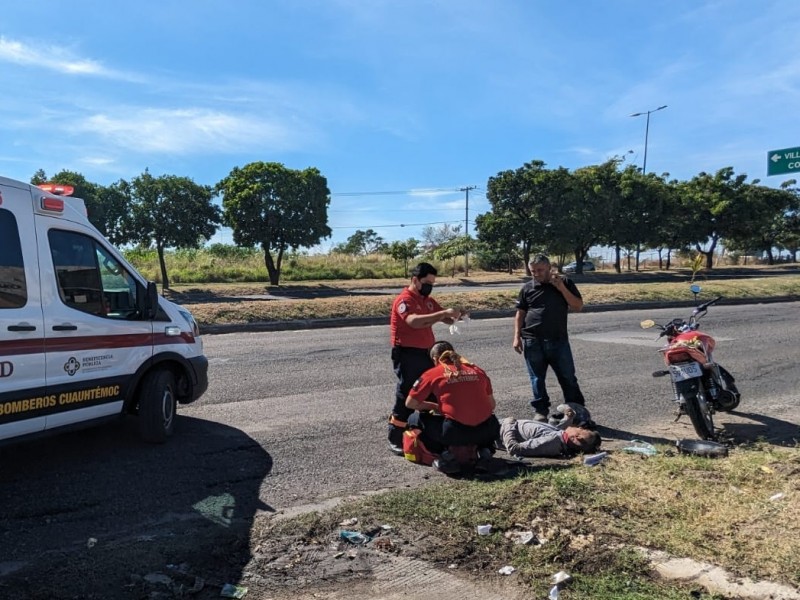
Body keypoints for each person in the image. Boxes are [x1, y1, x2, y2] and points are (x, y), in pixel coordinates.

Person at [388, 263, 463, 455]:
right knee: (407, 393)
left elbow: (444, 317)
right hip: (407, 353)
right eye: (426, 282)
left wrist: (456, 314)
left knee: (430, 392)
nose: (430, 286)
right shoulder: (405, 300)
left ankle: (425, 433)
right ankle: (395, 436)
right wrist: (442, 314)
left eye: (432, 283)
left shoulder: (427, 300)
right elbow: (413, 322)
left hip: (426, 353)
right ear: (415, 280)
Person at [405, 340, 500, 473]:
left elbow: (410, 403)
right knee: (489, 419)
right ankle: (485, 452)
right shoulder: (477, 370)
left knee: (414, 419)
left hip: (454, 433)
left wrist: (436, 406)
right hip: (487, 430)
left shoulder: (433, 373)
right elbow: (492, 405)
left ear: (434, 359)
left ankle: (443, 456)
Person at [513, 254, 585, 421]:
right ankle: (541, 411)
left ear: (549, 268)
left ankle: (576, 410)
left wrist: (560, 287)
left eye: (540, 270)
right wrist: (517, 336)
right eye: (533, 271)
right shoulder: (527, 288)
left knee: (567, 377)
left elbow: (577, 306)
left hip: (557, 340)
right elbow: (520, 313)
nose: (536, 274)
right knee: (536, 378)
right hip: (532, 340)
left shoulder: (564, 282)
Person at [498, 417, 601, 458]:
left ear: (576, 438)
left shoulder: (552, 442)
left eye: (581, 429)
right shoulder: (560, 437)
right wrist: (568, 419)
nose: (578, 427)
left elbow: (514, 449)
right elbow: (552, 431)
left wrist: (508, 424)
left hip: (497, 430)